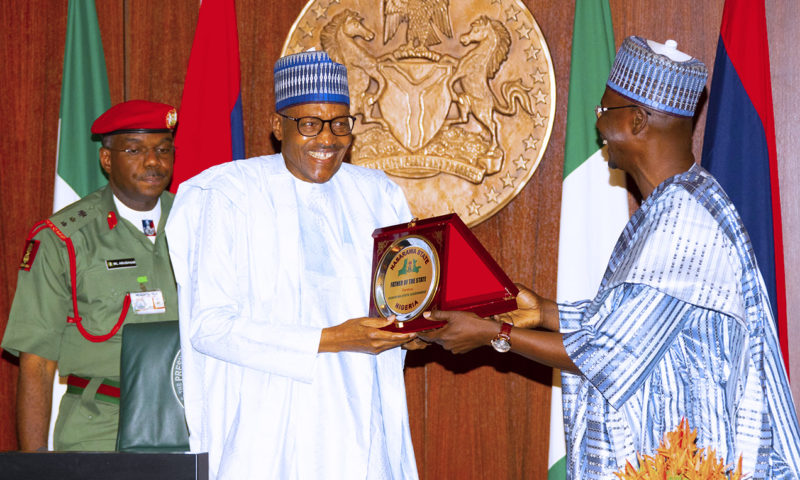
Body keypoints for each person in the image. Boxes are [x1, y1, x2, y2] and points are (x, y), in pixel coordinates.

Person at [421, 36, 800, 479]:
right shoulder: (677, 201)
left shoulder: (685, 219)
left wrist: (492, 334)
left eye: (605, 113)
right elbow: (632, 325)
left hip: (689, 461)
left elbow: (609, 353)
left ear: (637, 121)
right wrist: (543, 311)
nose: (598, 127)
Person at [166, 51, 420, 480]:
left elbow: (401, 299)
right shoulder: (228, 194)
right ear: (276, 126)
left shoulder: (377, 195)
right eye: (309, 124)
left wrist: (415, 332)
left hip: (358, 413)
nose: (328, 138)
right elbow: (209, 327)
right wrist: (331, 339)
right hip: (262, 424)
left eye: (340, 124)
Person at [1, 100, 179, 451]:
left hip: (194, 421)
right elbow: (37, 362)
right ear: (107, 160)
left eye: (163, 149)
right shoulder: (63, 239)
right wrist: (35, 468)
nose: (153, 162)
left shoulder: (199, 221)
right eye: (135, 150)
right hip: (102, 428)